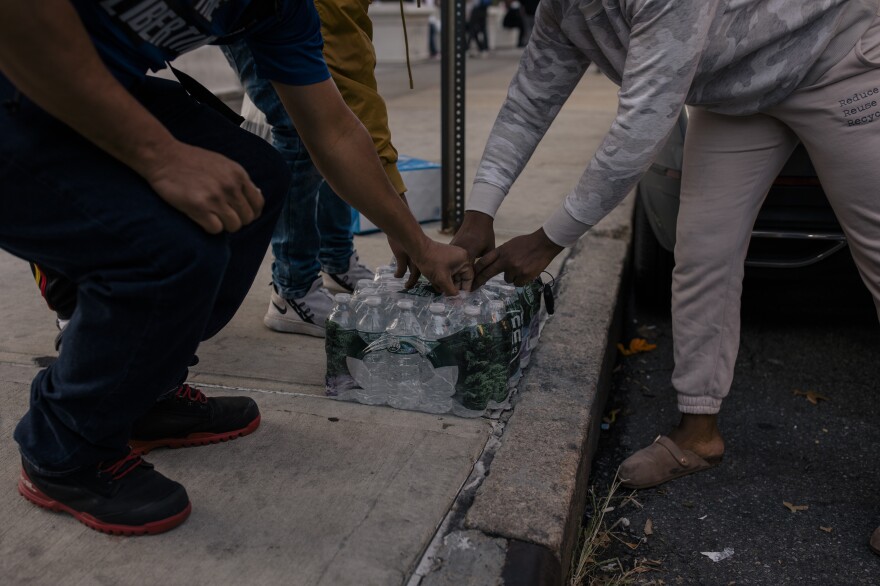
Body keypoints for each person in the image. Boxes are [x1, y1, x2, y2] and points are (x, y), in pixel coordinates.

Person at [0, 0, 472, 536]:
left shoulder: (280, 9)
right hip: (20, 72)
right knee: (167, 250)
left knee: (257, 176)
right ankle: (62, 448)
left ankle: (140, 392)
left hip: (80, 92)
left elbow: (333, 130)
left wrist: (414, 239)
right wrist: (161, 157)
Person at [449, 0, 880, 552]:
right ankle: (698, 434)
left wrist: (548, 239)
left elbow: (642, 125)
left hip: (835, 59)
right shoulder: (561, 9)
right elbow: (531, 98)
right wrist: (479, 214)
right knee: (701, 254)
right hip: (737, 89)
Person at [223, 0, 410, 337]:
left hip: (284, 15)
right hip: (253, 14)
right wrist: (402, 222)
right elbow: (349, 75)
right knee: (303, 130)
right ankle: (292, 291)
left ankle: (335, 259)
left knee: (332, 120)